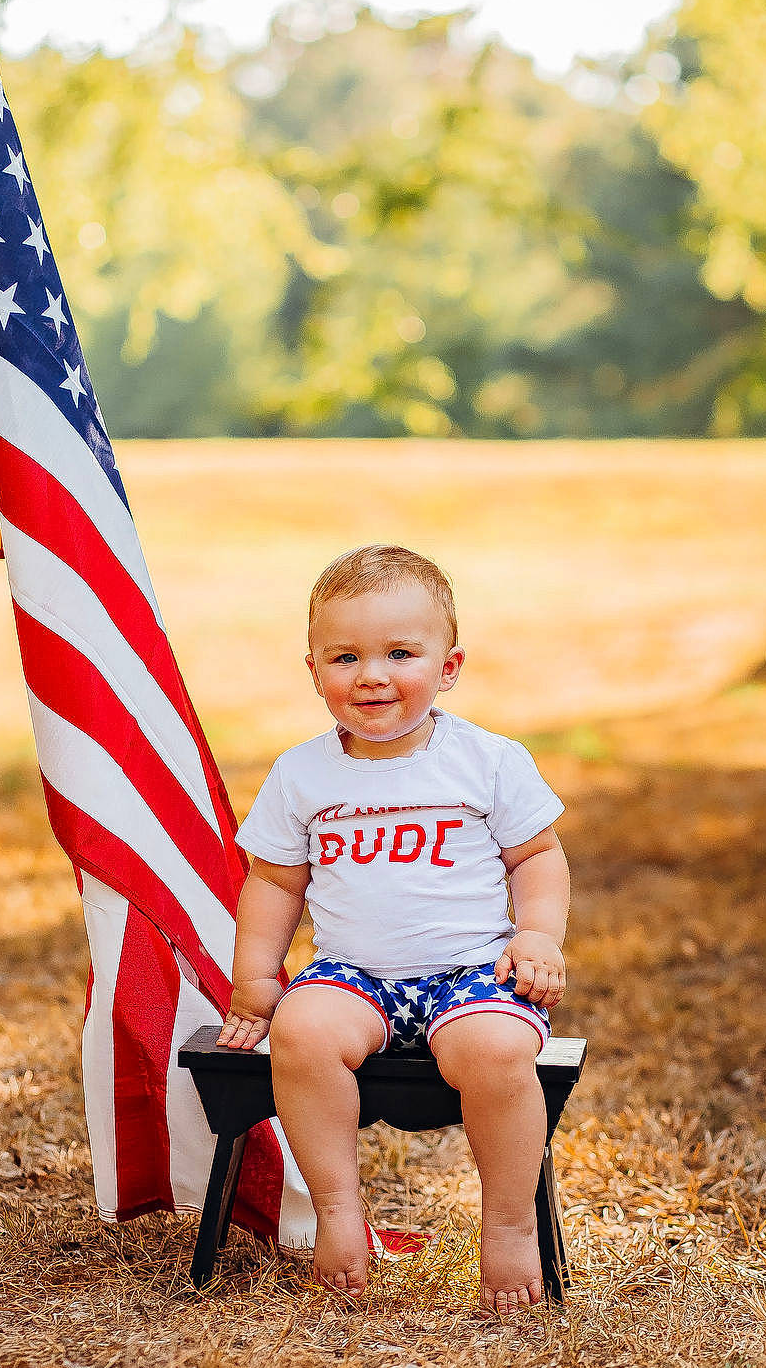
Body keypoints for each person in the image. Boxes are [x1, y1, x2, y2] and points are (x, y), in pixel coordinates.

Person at [218, 543, 570, 1315]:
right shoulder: (302, 773)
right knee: (303, 1030)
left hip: (471, 972)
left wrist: (539, 935)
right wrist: (257, 975)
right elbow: (274, 881)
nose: (371, 675)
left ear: (449, 667)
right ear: (313, 669)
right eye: (345, 656)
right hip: (353, 973)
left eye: (400, 653)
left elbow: (537, 855)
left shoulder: (486, 760)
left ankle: (509, 1224)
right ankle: (339, 1210)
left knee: (495, 1048)